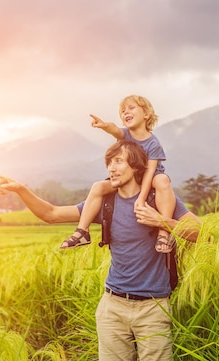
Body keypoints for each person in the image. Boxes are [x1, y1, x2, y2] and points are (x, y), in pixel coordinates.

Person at [0, 140, 200, 361]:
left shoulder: (158, 200)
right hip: (113, 306)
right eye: (109, 162)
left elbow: (201, 234)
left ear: (136, 165)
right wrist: (21, 189)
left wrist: (161, 221)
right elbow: (50, 214)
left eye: (119, 161)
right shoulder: (105, 203)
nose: (111, 168)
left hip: (153, 307)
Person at [60, 95, 177, 253]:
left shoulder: (153, 143)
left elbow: (149, 171)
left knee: (162, 180)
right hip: (128, 179)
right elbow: (114, 129)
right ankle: (82, 231)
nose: (126, 112)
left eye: (131, 108)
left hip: (150, 178)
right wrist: (104, 125)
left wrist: (141, 198)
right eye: (123, 110)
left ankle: (164, 233)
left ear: (146, 114)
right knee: (98, 186)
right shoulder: (125, 135)